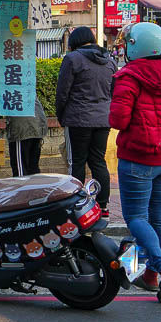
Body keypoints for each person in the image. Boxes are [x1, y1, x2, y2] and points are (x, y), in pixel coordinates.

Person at [109, 22, 161, 303]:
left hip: (137, 159)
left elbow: (118, 120)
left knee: (137, 218)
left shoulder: (128, 77)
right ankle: (150, 276)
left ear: (133, 47)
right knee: (159, 218)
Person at [55, 27, 117, 216]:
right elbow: (113, 92)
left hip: (78, 119)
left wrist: (61, 116)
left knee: (78, 162)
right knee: (98, 161)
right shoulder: (110, 62)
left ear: (74, 42)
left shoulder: (72, 59)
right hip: (102, 119)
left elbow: (62, 92)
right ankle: (104, 205)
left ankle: (77, 203)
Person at [0, 51, 47, 176]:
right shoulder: (17, 67)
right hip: (37, 122)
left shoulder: (0, 71)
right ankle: (35, 195)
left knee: (20, 173)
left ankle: (24, 195)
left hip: (22, 127)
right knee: (33, 170)